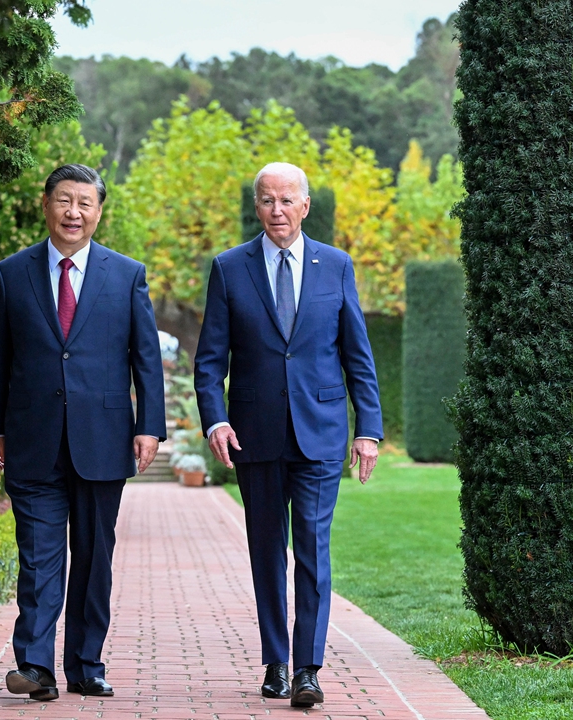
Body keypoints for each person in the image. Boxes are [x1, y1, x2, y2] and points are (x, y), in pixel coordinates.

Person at [193, 162, 383, 708]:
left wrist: (367, 429)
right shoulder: (230, 268)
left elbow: (358, 358)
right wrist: (215, 418)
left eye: (287, 200)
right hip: (254, 435)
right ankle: (275, 662)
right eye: (267, 200)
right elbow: (210, 361)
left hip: (321, 434)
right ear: (257, 207)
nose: (277, 210)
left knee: (313, 553)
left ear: (305, 207)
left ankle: (308, 669)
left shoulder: (336, 266)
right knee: (266, 552)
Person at [0, 164, 166, 700]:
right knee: (38, 557)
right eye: (64, 201)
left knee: (92, 556)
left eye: (85, 203)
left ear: (99, 211)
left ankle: (86, 664)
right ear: (46, 205)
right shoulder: (12, 273)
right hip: (32, 438)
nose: (73, 213)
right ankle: (35, 667)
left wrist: (148, 426)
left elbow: (145, 359)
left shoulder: (126, 274)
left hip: (104, 439)